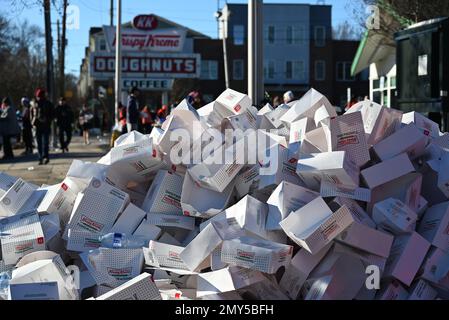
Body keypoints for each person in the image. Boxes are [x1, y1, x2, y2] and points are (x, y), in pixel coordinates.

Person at [31, 88, 54, 165]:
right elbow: (31, 113)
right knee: (41, 143)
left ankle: (43, 157)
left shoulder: (46, 103)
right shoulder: (35, 104)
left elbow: (52, 114)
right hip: (40, 125)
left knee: (43, 142)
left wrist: (48, 120)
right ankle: (42, 157)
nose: (39, 98)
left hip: (43, 125)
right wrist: (32, 121)